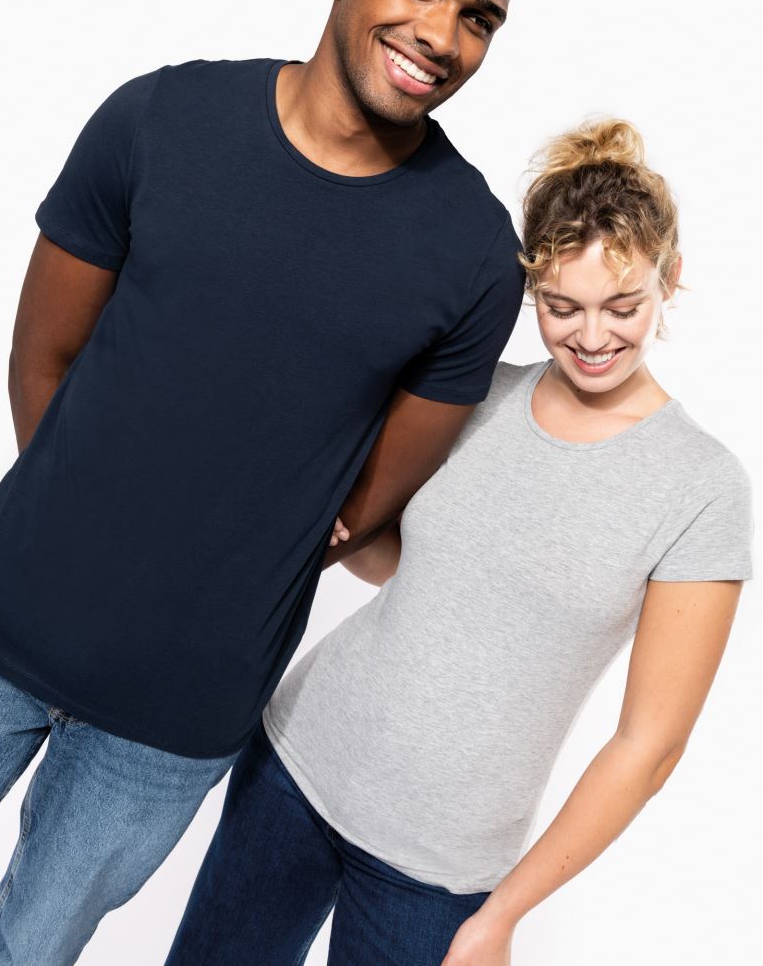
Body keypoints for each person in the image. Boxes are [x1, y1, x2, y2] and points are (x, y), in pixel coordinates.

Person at [0, 0, 531, 962]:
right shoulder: (160, 117)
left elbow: (355, 510)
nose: (440, 34)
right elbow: (44, 358)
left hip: (175, 716)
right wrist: (93, 529)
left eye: (478, 18)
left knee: (31, 949)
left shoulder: (472, 256)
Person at [166, 118, 753, 966]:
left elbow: (649, 746)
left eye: (622, 307)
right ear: (532, 286)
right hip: (299, 762)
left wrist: (503, 913)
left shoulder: (701, 486)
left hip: (440, 868)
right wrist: (339, 521)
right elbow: (414, 572)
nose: (592, 337)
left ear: (671, 278)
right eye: (562, 307)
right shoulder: (477, 396)